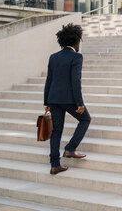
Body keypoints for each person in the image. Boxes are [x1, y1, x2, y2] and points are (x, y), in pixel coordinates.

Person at [43, 23, 91, 175]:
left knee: (56, 131)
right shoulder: (76, 56)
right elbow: (75, 81)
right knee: (85, 119)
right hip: (69, 99)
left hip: (53, 99)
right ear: (76, 41)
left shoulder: (53, 57)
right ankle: (70, 148)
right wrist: (80, 103)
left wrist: (46, 102)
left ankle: (55, 165)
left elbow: (49, 80)